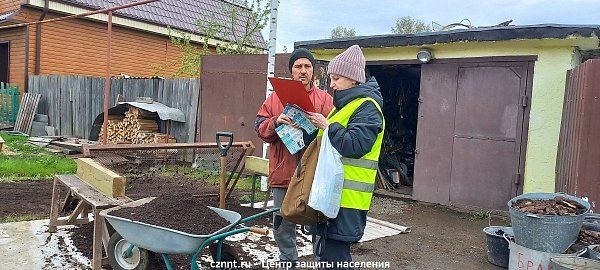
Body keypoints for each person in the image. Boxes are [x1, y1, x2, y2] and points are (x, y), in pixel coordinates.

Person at [307, 45, 385, 269]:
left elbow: (355, 145)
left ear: (353, 79)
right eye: (331, 78)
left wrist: (328, 125)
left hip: (347, 200)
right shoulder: (344, 106)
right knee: (326, 256)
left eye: (336, 78)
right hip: (331, 195)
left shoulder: (367, 107)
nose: (331, 84)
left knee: (336, 259)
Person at [255, 48, 334, 267]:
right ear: (291, 71)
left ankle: (321, 261)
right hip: (284, 173)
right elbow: (260, 127)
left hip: (316, 175)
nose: (303, 71)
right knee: (282, 224)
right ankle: (288, 261)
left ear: (314, 72)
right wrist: (276, 122)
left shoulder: (325, 100)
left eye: (307, 66)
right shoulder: (275, 98)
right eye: (298, 66)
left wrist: (322, 124)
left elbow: (336, 132)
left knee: (319, 221)